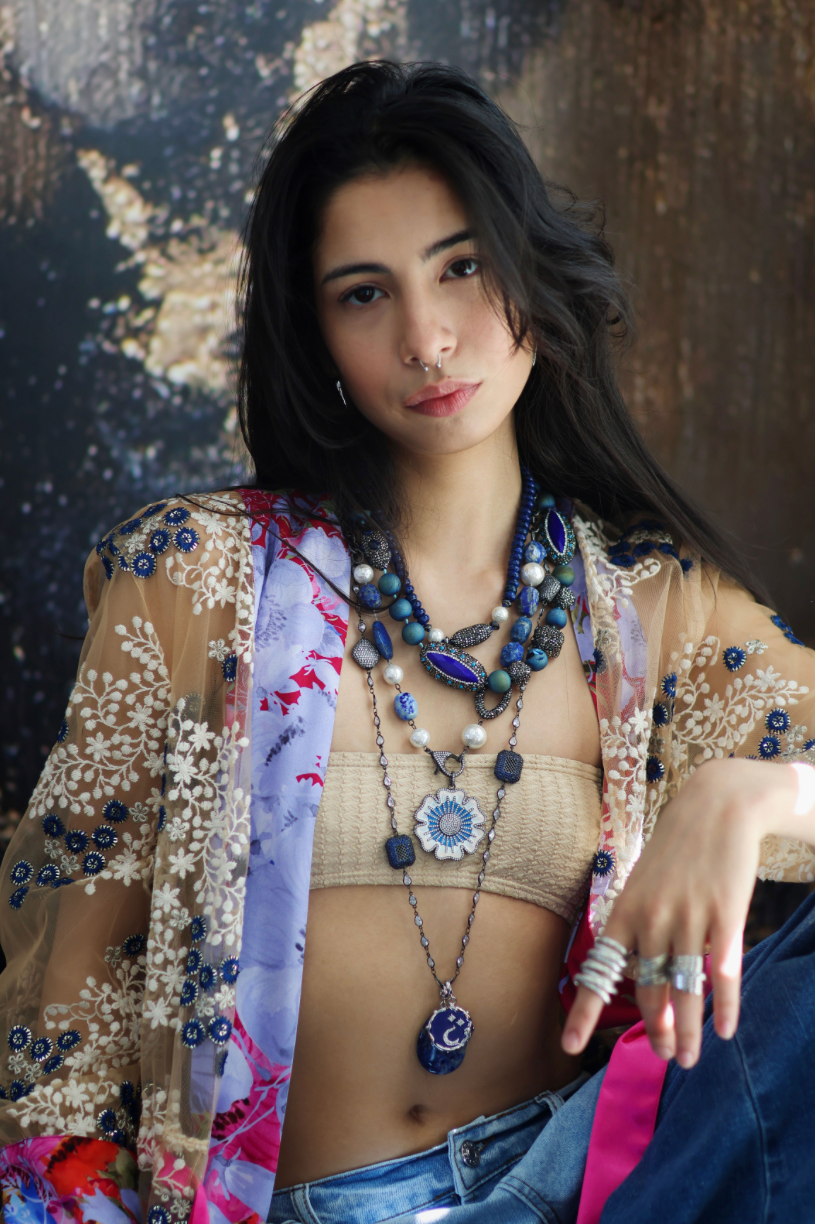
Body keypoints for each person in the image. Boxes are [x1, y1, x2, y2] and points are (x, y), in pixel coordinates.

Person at [0, 60, 814, 1224]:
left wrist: (746, 796)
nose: (430, 339)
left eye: (462, 266)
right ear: (315, 331)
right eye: (364, 293)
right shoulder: (195, 574)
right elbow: (62, 999)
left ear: (528, 270)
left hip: (586, 1182)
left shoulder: (650, 605)